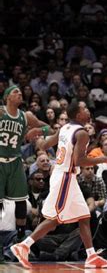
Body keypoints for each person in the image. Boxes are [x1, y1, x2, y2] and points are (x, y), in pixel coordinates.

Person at [10, 101, 107, 269]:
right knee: (54, 220)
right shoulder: (81, 133)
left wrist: (40, 132)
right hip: (65, 178)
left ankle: (91, 256)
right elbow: (79, 160)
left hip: (65, 177)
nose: (87, 110)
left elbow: (45, 145)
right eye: (84, 109)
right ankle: (23, 245)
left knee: (84, 217)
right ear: (77, 115)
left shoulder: (65, 128)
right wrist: (105, 159)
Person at [0, 85, 55, 242]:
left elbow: (49, 129)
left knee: (21, 202)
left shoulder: (26, 116)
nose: (19, 93)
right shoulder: (1, 111)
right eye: (15, 91)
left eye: (20, 91)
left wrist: (38, 132)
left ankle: (19, 239)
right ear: (7, 97)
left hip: (16, 161)